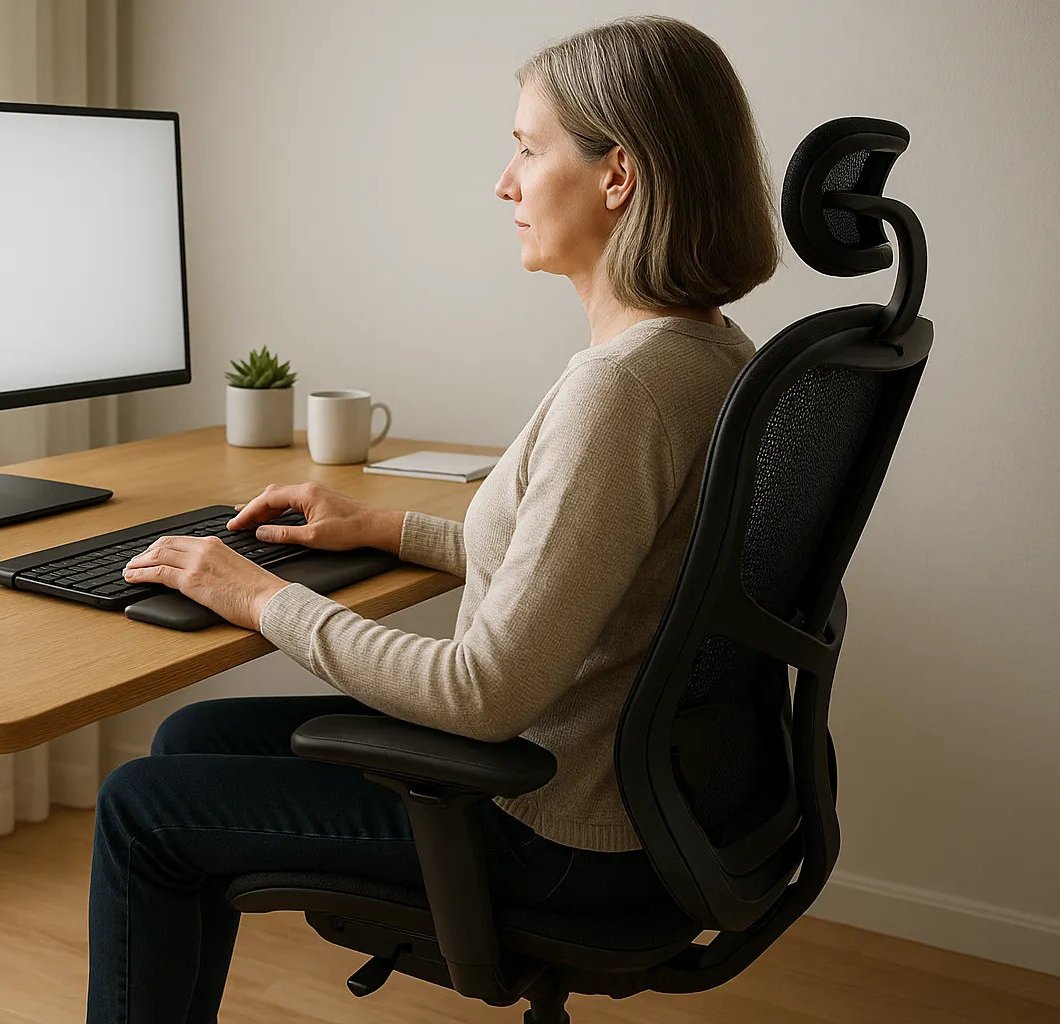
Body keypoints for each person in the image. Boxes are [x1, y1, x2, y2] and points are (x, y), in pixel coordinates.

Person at [91, 14, 778, 1022]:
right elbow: (591, 572)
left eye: (526, 148)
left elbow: (482, 691)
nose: (504, 184)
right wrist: (385, 530)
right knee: (191, 738)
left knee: (141, 809)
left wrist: (260, 598)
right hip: (639, 797)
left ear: (617, 175)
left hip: (549, 827)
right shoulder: (710, 352)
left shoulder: (621, 391)